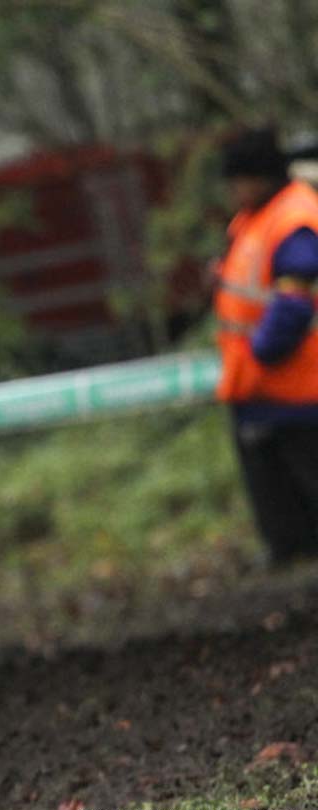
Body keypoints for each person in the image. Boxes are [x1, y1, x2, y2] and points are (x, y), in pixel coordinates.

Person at [214, 127, 318, 568]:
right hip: (257, 385)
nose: (233, 191)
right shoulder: (258, 217)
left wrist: (263, 353)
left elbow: (295, 297)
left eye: (237, 180)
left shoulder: (293, 217)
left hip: (294, 384)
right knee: (274, 488)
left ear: (258, 176)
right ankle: (289, 555)